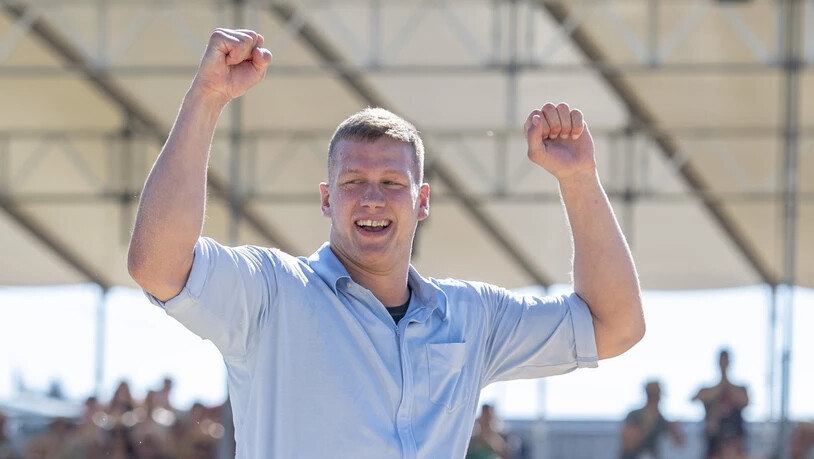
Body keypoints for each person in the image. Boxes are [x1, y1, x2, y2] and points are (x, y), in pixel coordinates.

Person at [127, 27, 645, 457]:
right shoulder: (273, 295)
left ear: (422, 202)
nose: (373, 199)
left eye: (392, 184)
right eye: (354, 183)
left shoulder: (471, 317)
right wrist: (208, 97)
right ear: (327, 200)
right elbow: (158, 266)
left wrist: (579, 180)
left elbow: (615, 325)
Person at [693, 350, 749, 459]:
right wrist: (721, 387)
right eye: (722, 361)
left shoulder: (740, 389)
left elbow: (745, 401)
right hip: (714, 443)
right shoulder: (709, 389)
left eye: (726, 361)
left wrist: (726, 384)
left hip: (736, 441)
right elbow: (697, 397)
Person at [620, 381, 684, 459]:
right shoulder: (634, 415)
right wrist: (648, 422)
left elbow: (679, 443)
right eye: (654, 395)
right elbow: (629, 444)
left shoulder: (660, 419)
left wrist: (675, 429)